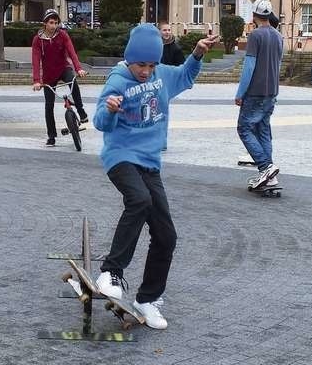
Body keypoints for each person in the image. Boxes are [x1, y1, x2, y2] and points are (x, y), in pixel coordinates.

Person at [93, 23, 218, 329]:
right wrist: (110, 109)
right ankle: (111, 272)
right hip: (120, 155)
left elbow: (186, 76)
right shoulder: (118, 81)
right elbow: (99, 121)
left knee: (166, 236)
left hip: (150, 161)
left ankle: (147, 299)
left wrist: (197, 54)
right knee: (139, 199)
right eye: (140, 65)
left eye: (151, 65)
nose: (146, 71)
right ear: (129, 60)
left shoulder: (162, 77)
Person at [235, 0, 283, 189]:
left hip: (255, 91)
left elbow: (249, 67)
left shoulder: (255, 35)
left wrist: (240, 93)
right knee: (263, 130)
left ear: (254, 15)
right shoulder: (278, 36)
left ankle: (265, 167)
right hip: (271, 91)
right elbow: (278, 65)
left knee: (244, 128)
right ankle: (270, 176)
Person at [32, 8, 88, 147]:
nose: (54, 26)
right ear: (45, 23)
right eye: (51, 22)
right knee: (48, 106)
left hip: (64, 68)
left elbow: (72, 52)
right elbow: (35, 60)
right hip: (49, 74)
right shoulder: (38, 40)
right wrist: (37, 81)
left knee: (73, 83)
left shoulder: (62, 35)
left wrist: (79, 68)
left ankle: (80, 110)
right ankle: (51, 136)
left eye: (56, 23)